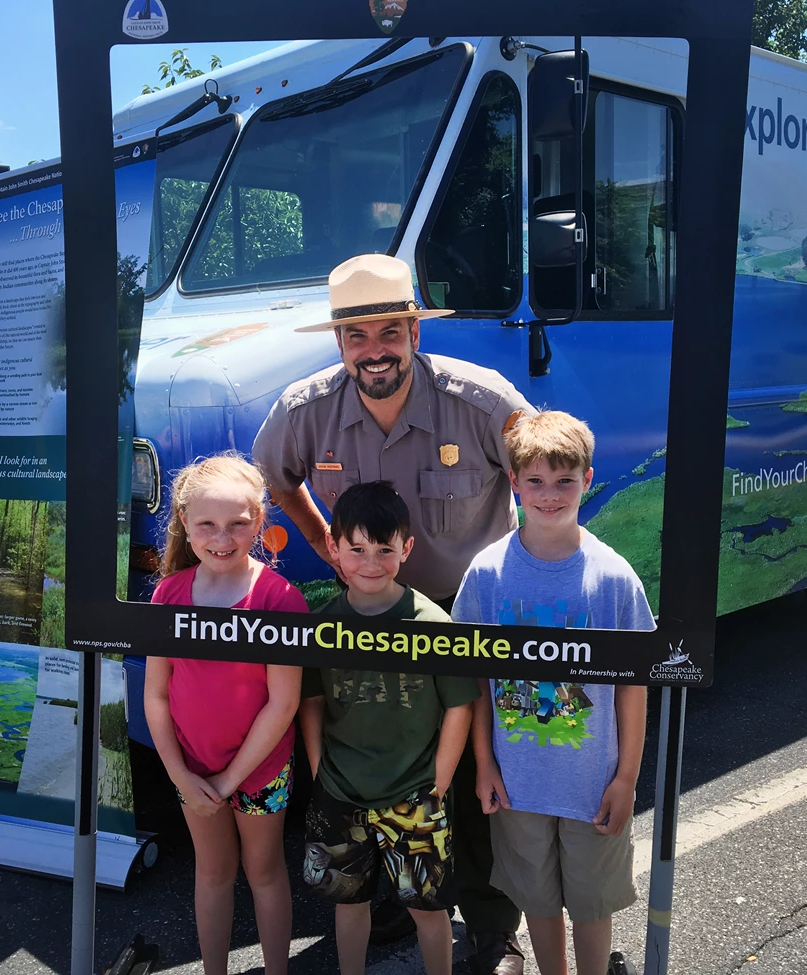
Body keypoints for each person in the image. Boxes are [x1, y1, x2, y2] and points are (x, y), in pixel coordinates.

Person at [254, 253, 531, 974]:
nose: (374, 349)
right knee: (370, 758)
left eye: (389, 330)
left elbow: (543, 475)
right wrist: (327, 547)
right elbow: (275, 479)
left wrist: (524, 577)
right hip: (368, 617)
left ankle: (495, 931)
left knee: (470, 777)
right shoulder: (304, 409)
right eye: (356, 335)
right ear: (340, 342)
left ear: (413, 328)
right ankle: (385, 901)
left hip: (464, 621)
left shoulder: (481, 399)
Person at [453, 411, 655, 975]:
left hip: (591, 783)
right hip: (518, 783)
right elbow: (474, 681)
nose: (549, 495)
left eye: (564, 481)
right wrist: (484, 764)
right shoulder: (488, 574)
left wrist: (626, 777)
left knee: (591, 905)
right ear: (513, 482)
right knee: (537, 903)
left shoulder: (613, 579)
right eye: (535, 481)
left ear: (588, 480)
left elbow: (632, 686)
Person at [299, 481, 479, 975]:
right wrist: (318, 767)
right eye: (356, 549)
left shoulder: (432, 623)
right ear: (333, 548)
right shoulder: (324, 626)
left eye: (384, 549)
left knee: (428, 908)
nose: (371, 562)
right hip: (341, 791)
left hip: (415, 793)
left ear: (407, 548)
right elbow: (311, 701)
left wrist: (439, 782)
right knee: (348, 902)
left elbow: (459, 707)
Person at [143, 452, 308, 975]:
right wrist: (180, 775)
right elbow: (157, 695)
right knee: (211, 872)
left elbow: (283, 703)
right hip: (191, 771)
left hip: (259, 771)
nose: (222, 537)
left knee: (264, 871)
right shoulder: (169, 596)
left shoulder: (279, 601)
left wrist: (231, 779)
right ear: (185, 525)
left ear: (258, 522)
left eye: (238, 524)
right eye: (207, 525)